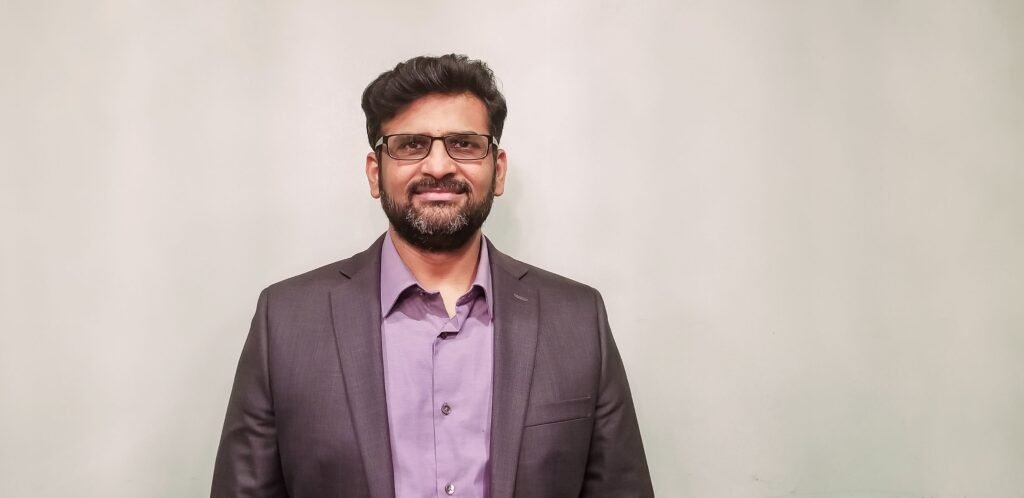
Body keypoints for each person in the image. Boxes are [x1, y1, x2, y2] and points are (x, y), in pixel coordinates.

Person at [211, 54, 653, 498]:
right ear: (375, 173)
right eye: (410, 145)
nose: (439, 167)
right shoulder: (286, 321)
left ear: (497, 171)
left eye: (464, 144)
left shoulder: (576, 320)